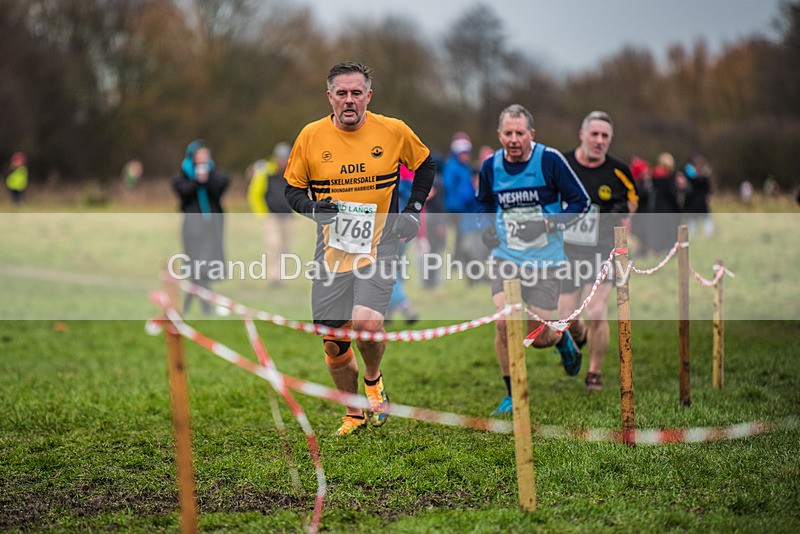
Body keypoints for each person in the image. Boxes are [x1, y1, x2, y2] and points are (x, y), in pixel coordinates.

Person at [284, 61, 436, 436]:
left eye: (356, 93)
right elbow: (291, 189)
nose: (349, 100)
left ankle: (373, 379)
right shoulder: (310, 136)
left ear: (369, 95)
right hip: (331, 253)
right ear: (329, 97)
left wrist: (414, 210)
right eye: (341, 93)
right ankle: (353, 413)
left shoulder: (393, 130)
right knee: (335, 349)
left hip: (379, 247)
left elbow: (426, 164)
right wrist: (312, 209)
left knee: (368, 322)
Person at [476, 104, 591, 415]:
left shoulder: (550, 161)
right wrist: (486, 228)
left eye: (520, 133)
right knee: (503, 322)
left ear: (531, 134)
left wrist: (547, 224)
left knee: (538, 336)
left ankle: (562, 336)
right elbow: (484, 204)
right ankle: (512, 393)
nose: (514, 139)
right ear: (499, 135)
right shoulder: (490, 166)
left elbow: (581, 202)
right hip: (506, 257)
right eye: (508, 133)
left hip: (545, 260)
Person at [557, 111, 638, 392]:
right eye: (595, 134)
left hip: (605, 249)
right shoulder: (562, 164)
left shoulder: (619, 171)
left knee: (597, 311)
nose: (600, 140)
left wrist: (622, 213)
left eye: (605, 136)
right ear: (582, 134)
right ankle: (578, 337)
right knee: (564, 317)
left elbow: (633, 201)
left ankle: (594, 372)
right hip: (567, 249)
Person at [172, 140, 230, 314]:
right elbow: (183, 193)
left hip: (211, 228)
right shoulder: (182, 176)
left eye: (206, 155)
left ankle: (192, 307)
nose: (203, 158)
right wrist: (197, 181)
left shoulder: (214, 175)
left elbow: (222, 185)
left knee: (204, 267)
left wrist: (207, 178)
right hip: (192, 228)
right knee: (195, 266)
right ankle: (205, 307)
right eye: (200, 155)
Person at [247, 142, 295, 284]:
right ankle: (274, 277)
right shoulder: (265, 172)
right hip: (271, 216)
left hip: (287, 216)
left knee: (285, 247)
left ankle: (282, 275)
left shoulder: (293, 173)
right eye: (281, 159)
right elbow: (255, 194)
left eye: (286, 159)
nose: (283, 162)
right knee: (274, 245)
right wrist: (262, 214)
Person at [442, 132, 475, 263]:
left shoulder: (466, 167)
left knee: (462, 238)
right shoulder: (451, 166)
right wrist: (459, 205)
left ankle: (459, 260)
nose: (465, 155)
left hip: (465, 209)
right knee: (455, 238)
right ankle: (453, 261)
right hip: (454, 209)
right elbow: (449, 188)